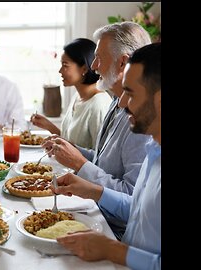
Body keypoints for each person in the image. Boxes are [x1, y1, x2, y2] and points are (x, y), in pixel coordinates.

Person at [54, 42, 161, 270]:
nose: (121, 103)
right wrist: (93, 190)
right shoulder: (154, 150)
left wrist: (111, 250)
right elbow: (140, 208)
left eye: (130, 94)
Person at [42, 21, 152, 239]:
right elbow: (103, 161)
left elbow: (131, 199)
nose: (93, 66)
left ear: (123, 63)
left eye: (98, 58)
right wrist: (74, 150)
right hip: (94, 212)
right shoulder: (115, 102)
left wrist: (79, 164)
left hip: (114, 232)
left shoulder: (143, 122)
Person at [31, 38, 112, 149]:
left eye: (65, 65)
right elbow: (71, 143)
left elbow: (99, 156)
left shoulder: (99, 105)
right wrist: (48, 126)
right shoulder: (78, 96)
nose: (60, 71)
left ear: (84, 68)